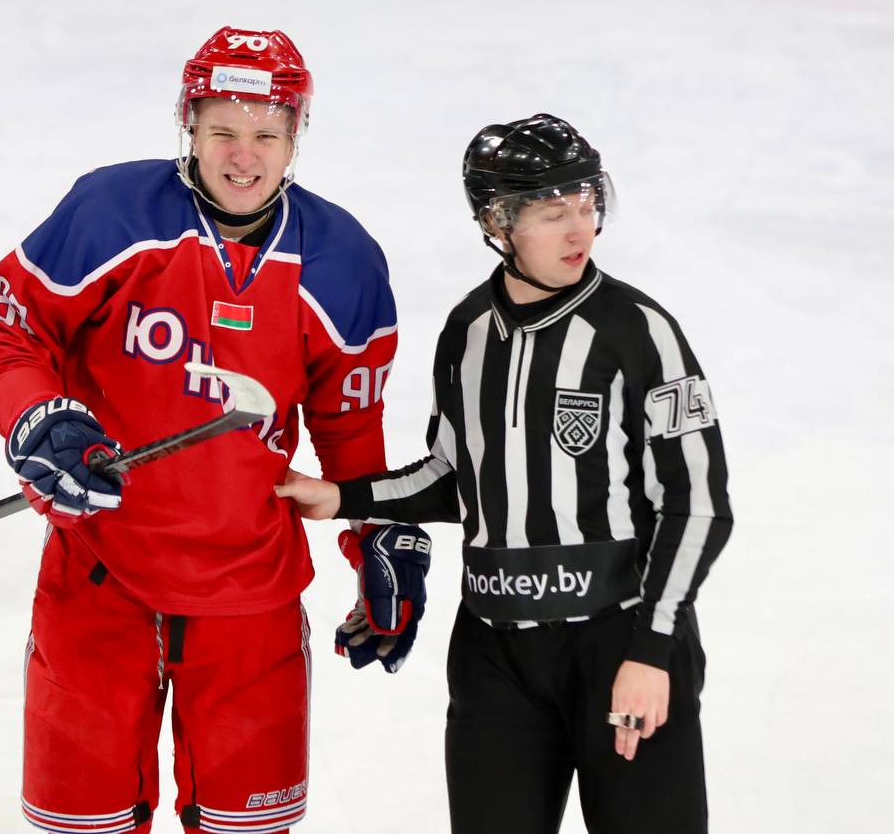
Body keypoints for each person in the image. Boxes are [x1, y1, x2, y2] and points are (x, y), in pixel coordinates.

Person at [0, 26, 429, 833]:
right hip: (99, 583)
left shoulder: (343, 261)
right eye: (222, 130)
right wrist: (38, 417)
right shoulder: (111, 213)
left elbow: (349, 428)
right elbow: (13, 331)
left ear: (296, 136)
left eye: (266, 136)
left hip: (250, 603)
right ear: (189, 123)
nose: (243, 157)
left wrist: (378, 537)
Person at [275, 113, 733, 834]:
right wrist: (342, 497)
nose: (580, 229)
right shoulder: (467, 331)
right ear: (498, 221)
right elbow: (454, 475)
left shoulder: (639, 331)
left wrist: (652, 651)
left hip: (620, 644)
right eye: (554, 213)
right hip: (495, 656)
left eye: (587, 204)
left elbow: (698, 502)